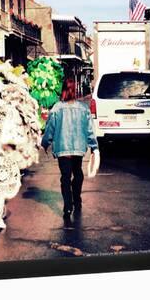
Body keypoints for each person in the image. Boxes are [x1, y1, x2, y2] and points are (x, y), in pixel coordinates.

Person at [41, 78, 98, 219]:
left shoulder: (57, 108)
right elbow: (90, 129)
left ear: (64, 90)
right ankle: (77, 199)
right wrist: (94, 146)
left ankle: (68, 206)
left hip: (62, 148)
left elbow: (50, 128)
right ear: (75, 90)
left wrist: (45, 143)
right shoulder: (83, 108)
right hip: (78, 148)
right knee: (77, 173)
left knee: (65, 177)